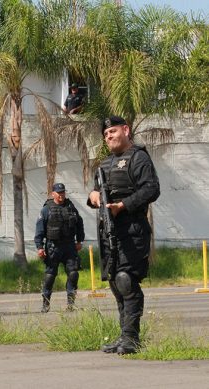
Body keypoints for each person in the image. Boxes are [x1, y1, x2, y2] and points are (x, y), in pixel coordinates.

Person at [87, 115, 160, 355]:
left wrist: (123, 205)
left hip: (132, 229)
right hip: (109, 233)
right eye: (106, 135)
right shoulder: (105, 164)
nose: (109, 137)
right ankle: (123, 336)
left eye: (113, 132)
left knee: (126, 281)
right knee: (115, 284)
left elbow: (151, 189)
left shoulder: (138, 158)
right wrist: (93, 196)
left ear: (126, 130)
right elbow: (96, 192)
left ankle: (132, 338)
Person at [34, 183, 85, 313]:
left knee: (73, 274)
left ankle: (71, 304)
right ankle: (46, 304)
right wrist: (40, 247)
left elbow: (79, 224)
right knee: (50, 276)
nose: (61, 195)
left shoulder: (71, 208)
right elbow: (40, 229)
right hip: (53, 246)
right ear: (53, 194)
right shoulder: (46, 209)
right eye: (58, 193)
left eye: (63, 192)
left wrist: (79, 240)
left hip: (69, 246)